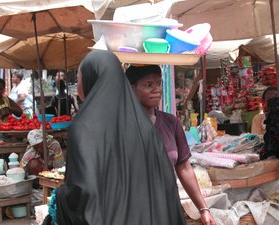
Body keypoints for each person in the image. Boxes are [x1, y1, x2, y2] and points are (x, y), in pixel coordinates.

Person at [45, 50, 185, 225]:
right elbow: (165, 185)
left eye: (79, 78)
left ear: (91, 81)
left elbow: (82, 195)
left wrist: (60, 197)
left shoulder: (84, 128)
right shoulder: (144, 126)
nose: (78, 84)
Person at [126, 65, 216, 225]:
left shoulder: (170, 122)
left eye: (159, 84)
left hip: (167, 208)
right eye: (148, 85)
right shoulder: (122, 126)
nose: (157, 90)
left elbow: (184, 167)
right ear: (132, 88)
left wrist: (203, 208)